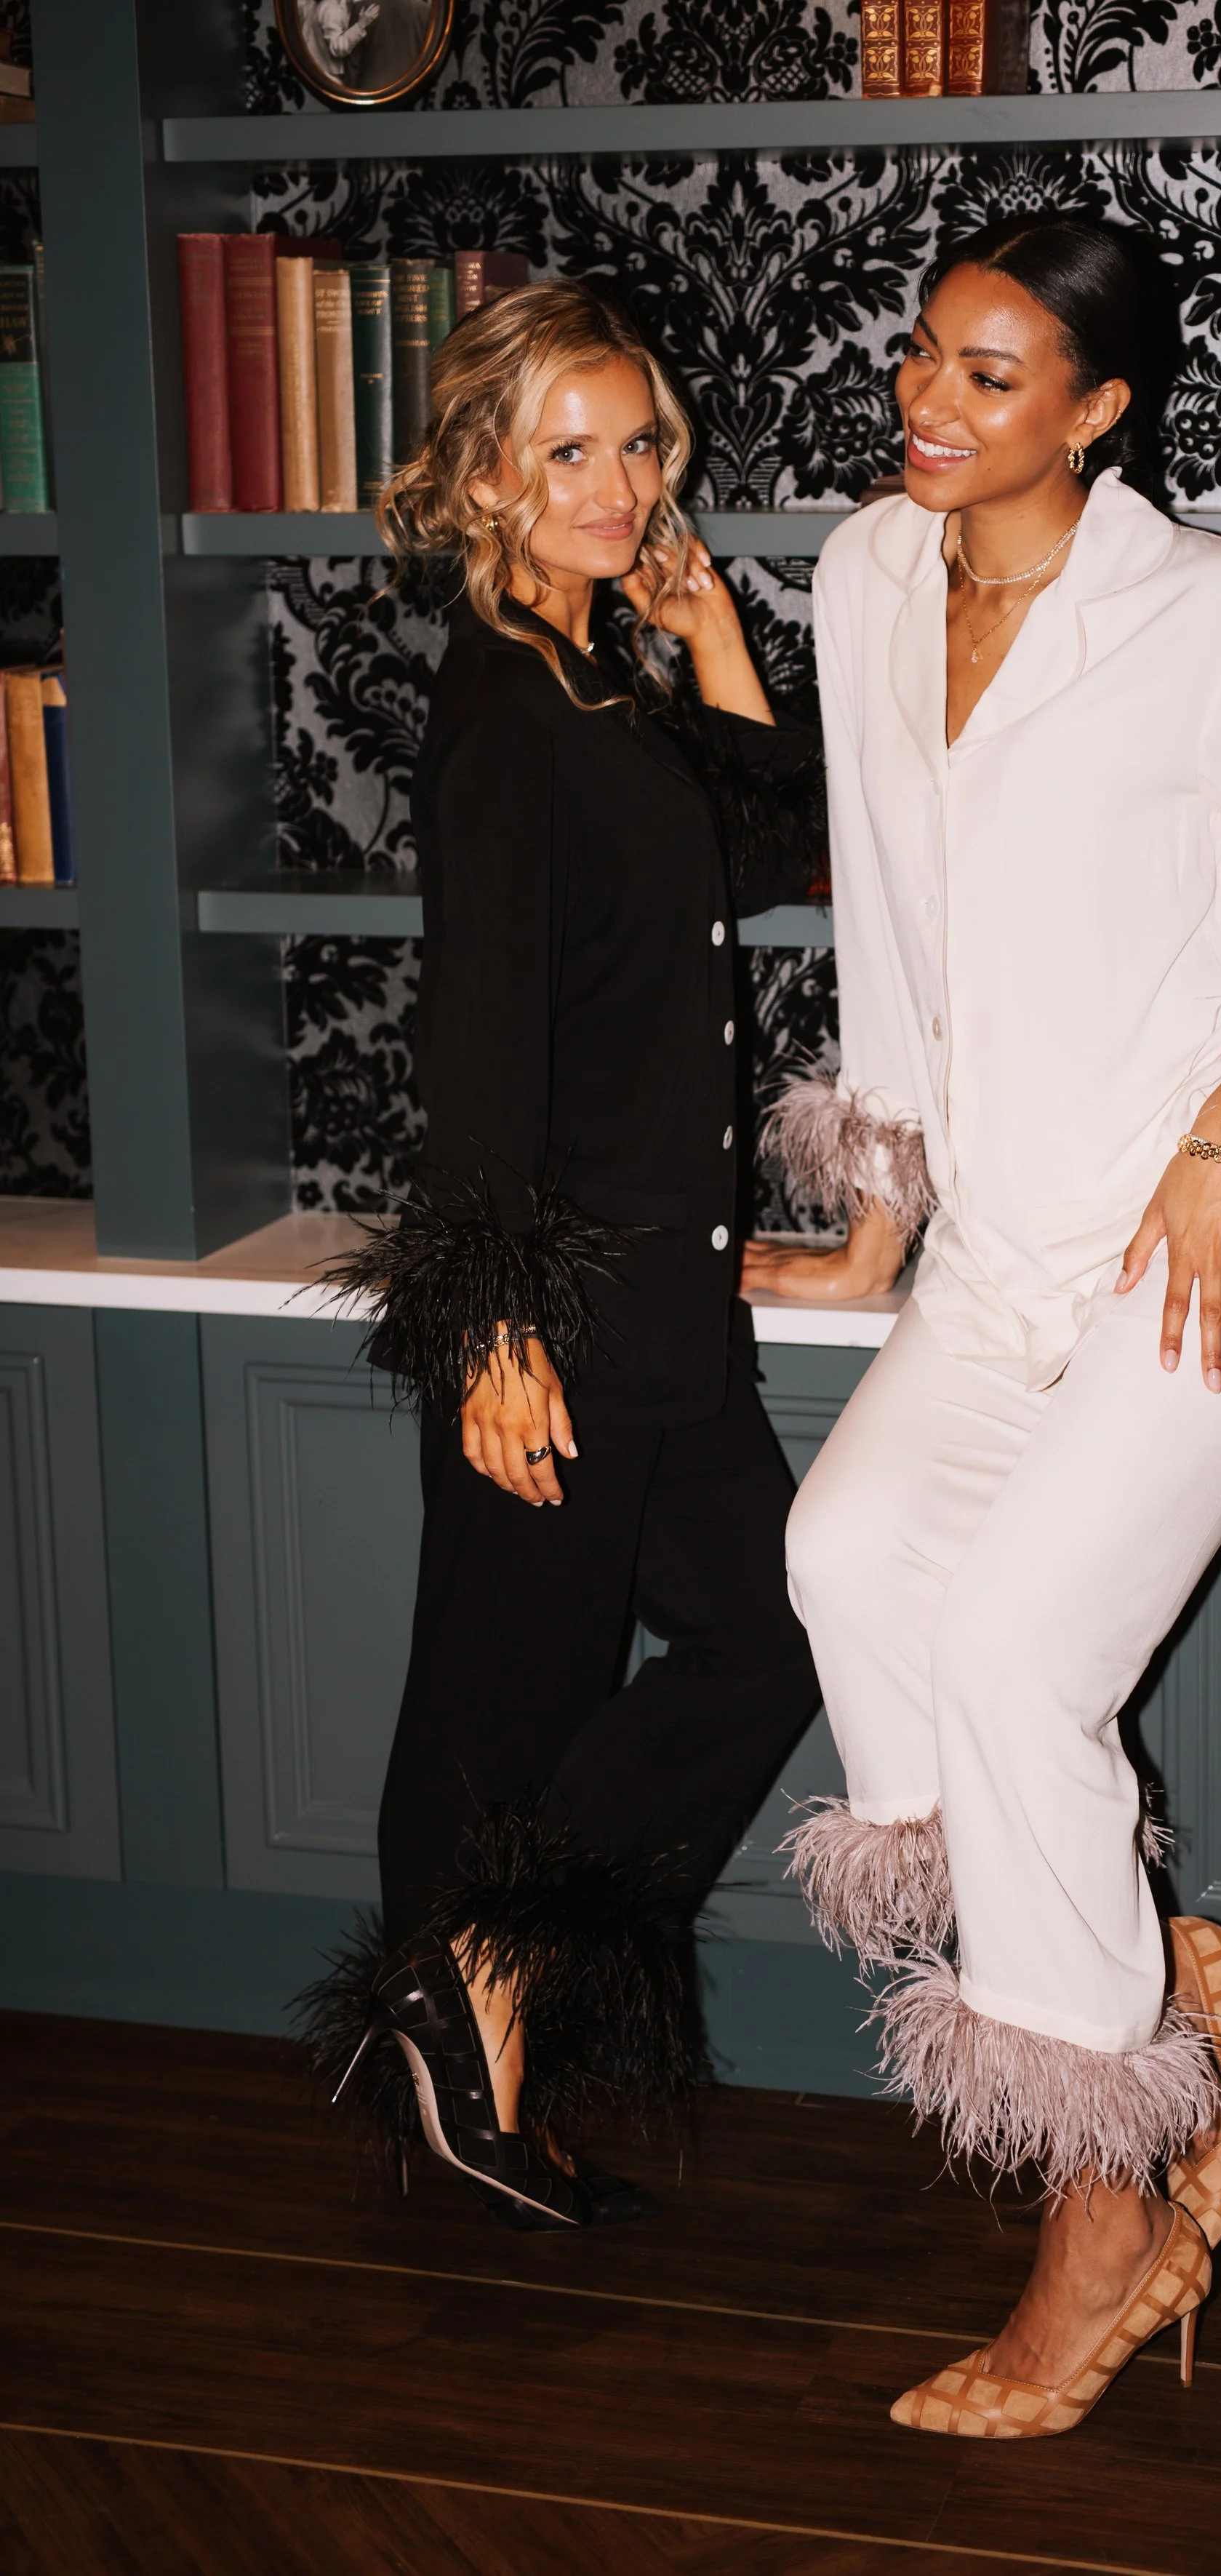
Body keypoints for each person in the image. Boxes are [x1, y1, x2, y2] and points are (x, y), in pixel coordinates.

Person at [747, 217, 1221, 2433]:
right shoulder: (871, 575)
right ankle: (1128, 1973)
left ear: (1095, 409)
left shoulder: (1211, 615)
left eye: (987, 374)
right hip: (1000, 1222)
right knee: (849, 1564)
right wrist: (872, 1218)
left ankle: (1107, 2196)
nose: (928, 403)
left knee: (1013, 1658)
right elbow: (884, 916)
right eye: (919, 359)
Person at [304, 280, 824, 2230]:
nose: (615, 485)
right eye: (567, 453)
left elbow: (778, 848)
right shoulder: (507, 712)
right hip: (570, 1310)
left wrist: (709, 635)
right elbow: (479, 1042)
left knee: (768, 1634)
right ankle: (478, 2046)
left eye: (634, 444)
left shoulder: (606, 680)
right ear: (486, 481)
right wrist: (490, 1329)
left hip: (667, 1306)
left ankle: (483, 1994)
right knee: (495, 1711)